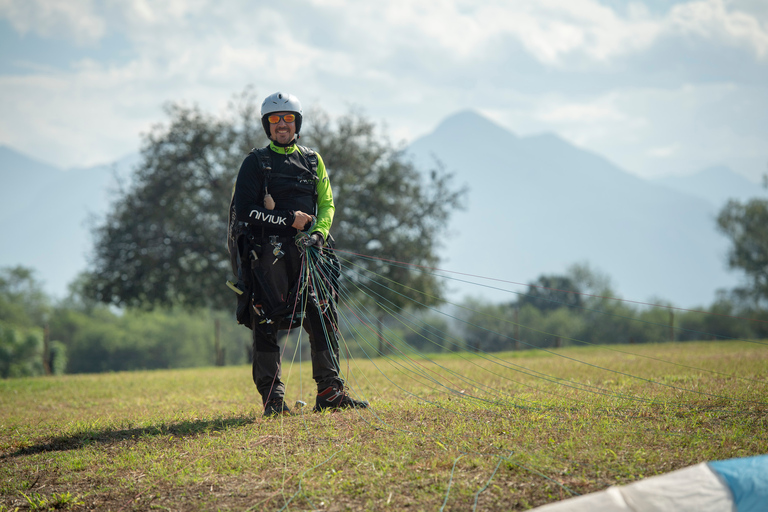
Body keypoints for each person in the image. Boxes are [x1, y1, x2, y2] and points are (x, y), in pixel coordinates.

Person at [231, 91, 368, 417]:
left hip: (311, 252)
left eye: (288, 119)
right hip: (268, 255)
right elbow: (244, 210)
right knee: (265, 317)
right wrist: (286, 219)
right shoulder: (255, 163)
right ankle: (273, 401)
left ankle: (330, 392)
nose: (282, 125)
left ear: (297, 123)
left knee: (323, 314)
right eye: (275, 120)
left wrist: (319, 232)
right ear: (267, 125)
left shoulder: (311, 160)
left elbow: (327, 203)